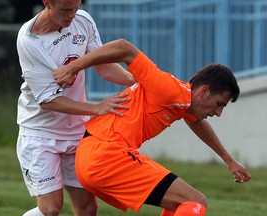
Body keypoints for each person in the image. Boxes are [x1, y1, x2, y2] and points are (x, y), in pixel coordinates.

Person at [54, 39, 252, 216]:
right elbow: (124, 48)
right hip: (107, 154)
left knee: (179, 205)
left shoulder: (181, 101)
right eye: (219, 104)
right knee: (194, 202)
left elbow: (197, 122)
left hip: (90, 157)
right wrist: (74, 67)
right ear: (204, 91)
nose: (218, 113)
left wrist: (229, 160)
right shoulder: (169, 89)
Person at [16, 0, 135, 215]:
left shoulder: (83, 19)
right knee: (50, 209)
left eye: (75, 7)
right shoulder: (29, 39)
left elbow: (105, 67)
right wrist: (97, 108)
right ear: (47, 3)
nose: (72, 14)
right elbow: (47, 101)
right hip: (40, 133)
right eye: (65, 10)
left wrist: (136, 81)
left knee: (87, 207)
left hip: (77, 133)